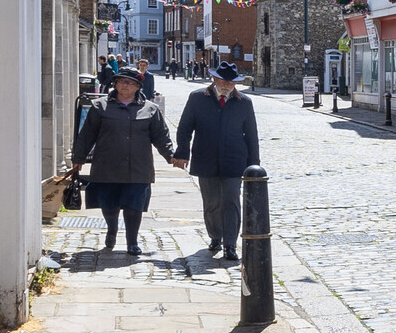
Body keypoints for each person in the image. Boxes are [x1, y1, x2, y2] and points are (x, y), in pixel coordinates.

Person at [69, 69, 182, 254]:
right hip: (107, 165)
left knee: (134, 207)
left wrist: (171, 156)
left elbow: (161, 136)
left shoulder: (150, 109)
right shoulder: (100, 107)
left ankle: (132, 242)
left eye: (129, 82)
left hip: (138, 167)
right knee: (110, 205)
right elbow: (87, 135)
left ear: (138, 86)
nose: (124, 85)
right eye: (120, 81)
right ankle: (112, 230)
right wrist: (78, 158)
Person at [175, 61, 260, 262]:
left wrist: (253, 165)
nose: (227, 84)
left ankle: (230, 244)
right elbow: (185, 127)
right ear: (214, 79)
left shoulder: (244, 102)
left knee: (231, 201)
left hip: (234, 160)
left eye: (231, 81)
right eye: (223, 79)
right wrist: (182, 152)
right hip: (206, 158)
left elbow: (252, 136)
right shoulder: (197, 98)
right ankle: (215, 236)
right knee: (212, 202)